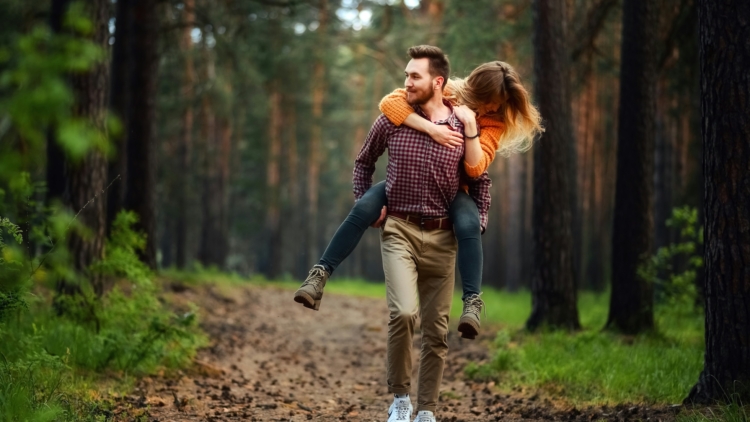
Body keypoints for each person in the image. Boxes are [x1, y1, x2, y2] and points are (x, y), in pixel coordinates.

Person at [294, 58, 542, 339]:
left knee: (469, 225)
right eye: (492, 101)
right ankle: (320, 275)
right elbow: (390, 103)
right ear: (477, 90)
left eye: (501, 103)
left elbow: (475, 168)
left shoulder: (492, 122)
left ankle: (472, 302)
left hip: (453, 191)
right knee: (363, 207)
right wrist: (431, 129)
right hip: (409, 182)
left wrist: (471, 125)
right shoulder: (445, 91)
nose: (495, 108)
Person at [359, 45, 490, 422]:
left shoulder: (460, 126)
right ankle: (400, 400)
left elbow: (481, 180)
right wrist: (367, 203)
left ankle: (427, 411)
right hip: (398, 228)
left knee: (436, 330)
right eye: (405, 75)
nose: (406, 82)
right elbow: (363, 162)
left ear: (438, 81)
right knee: (403, 313)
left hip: (443, 237)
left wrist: (476, 221)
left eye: (414, 76)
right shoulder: (391, 119)